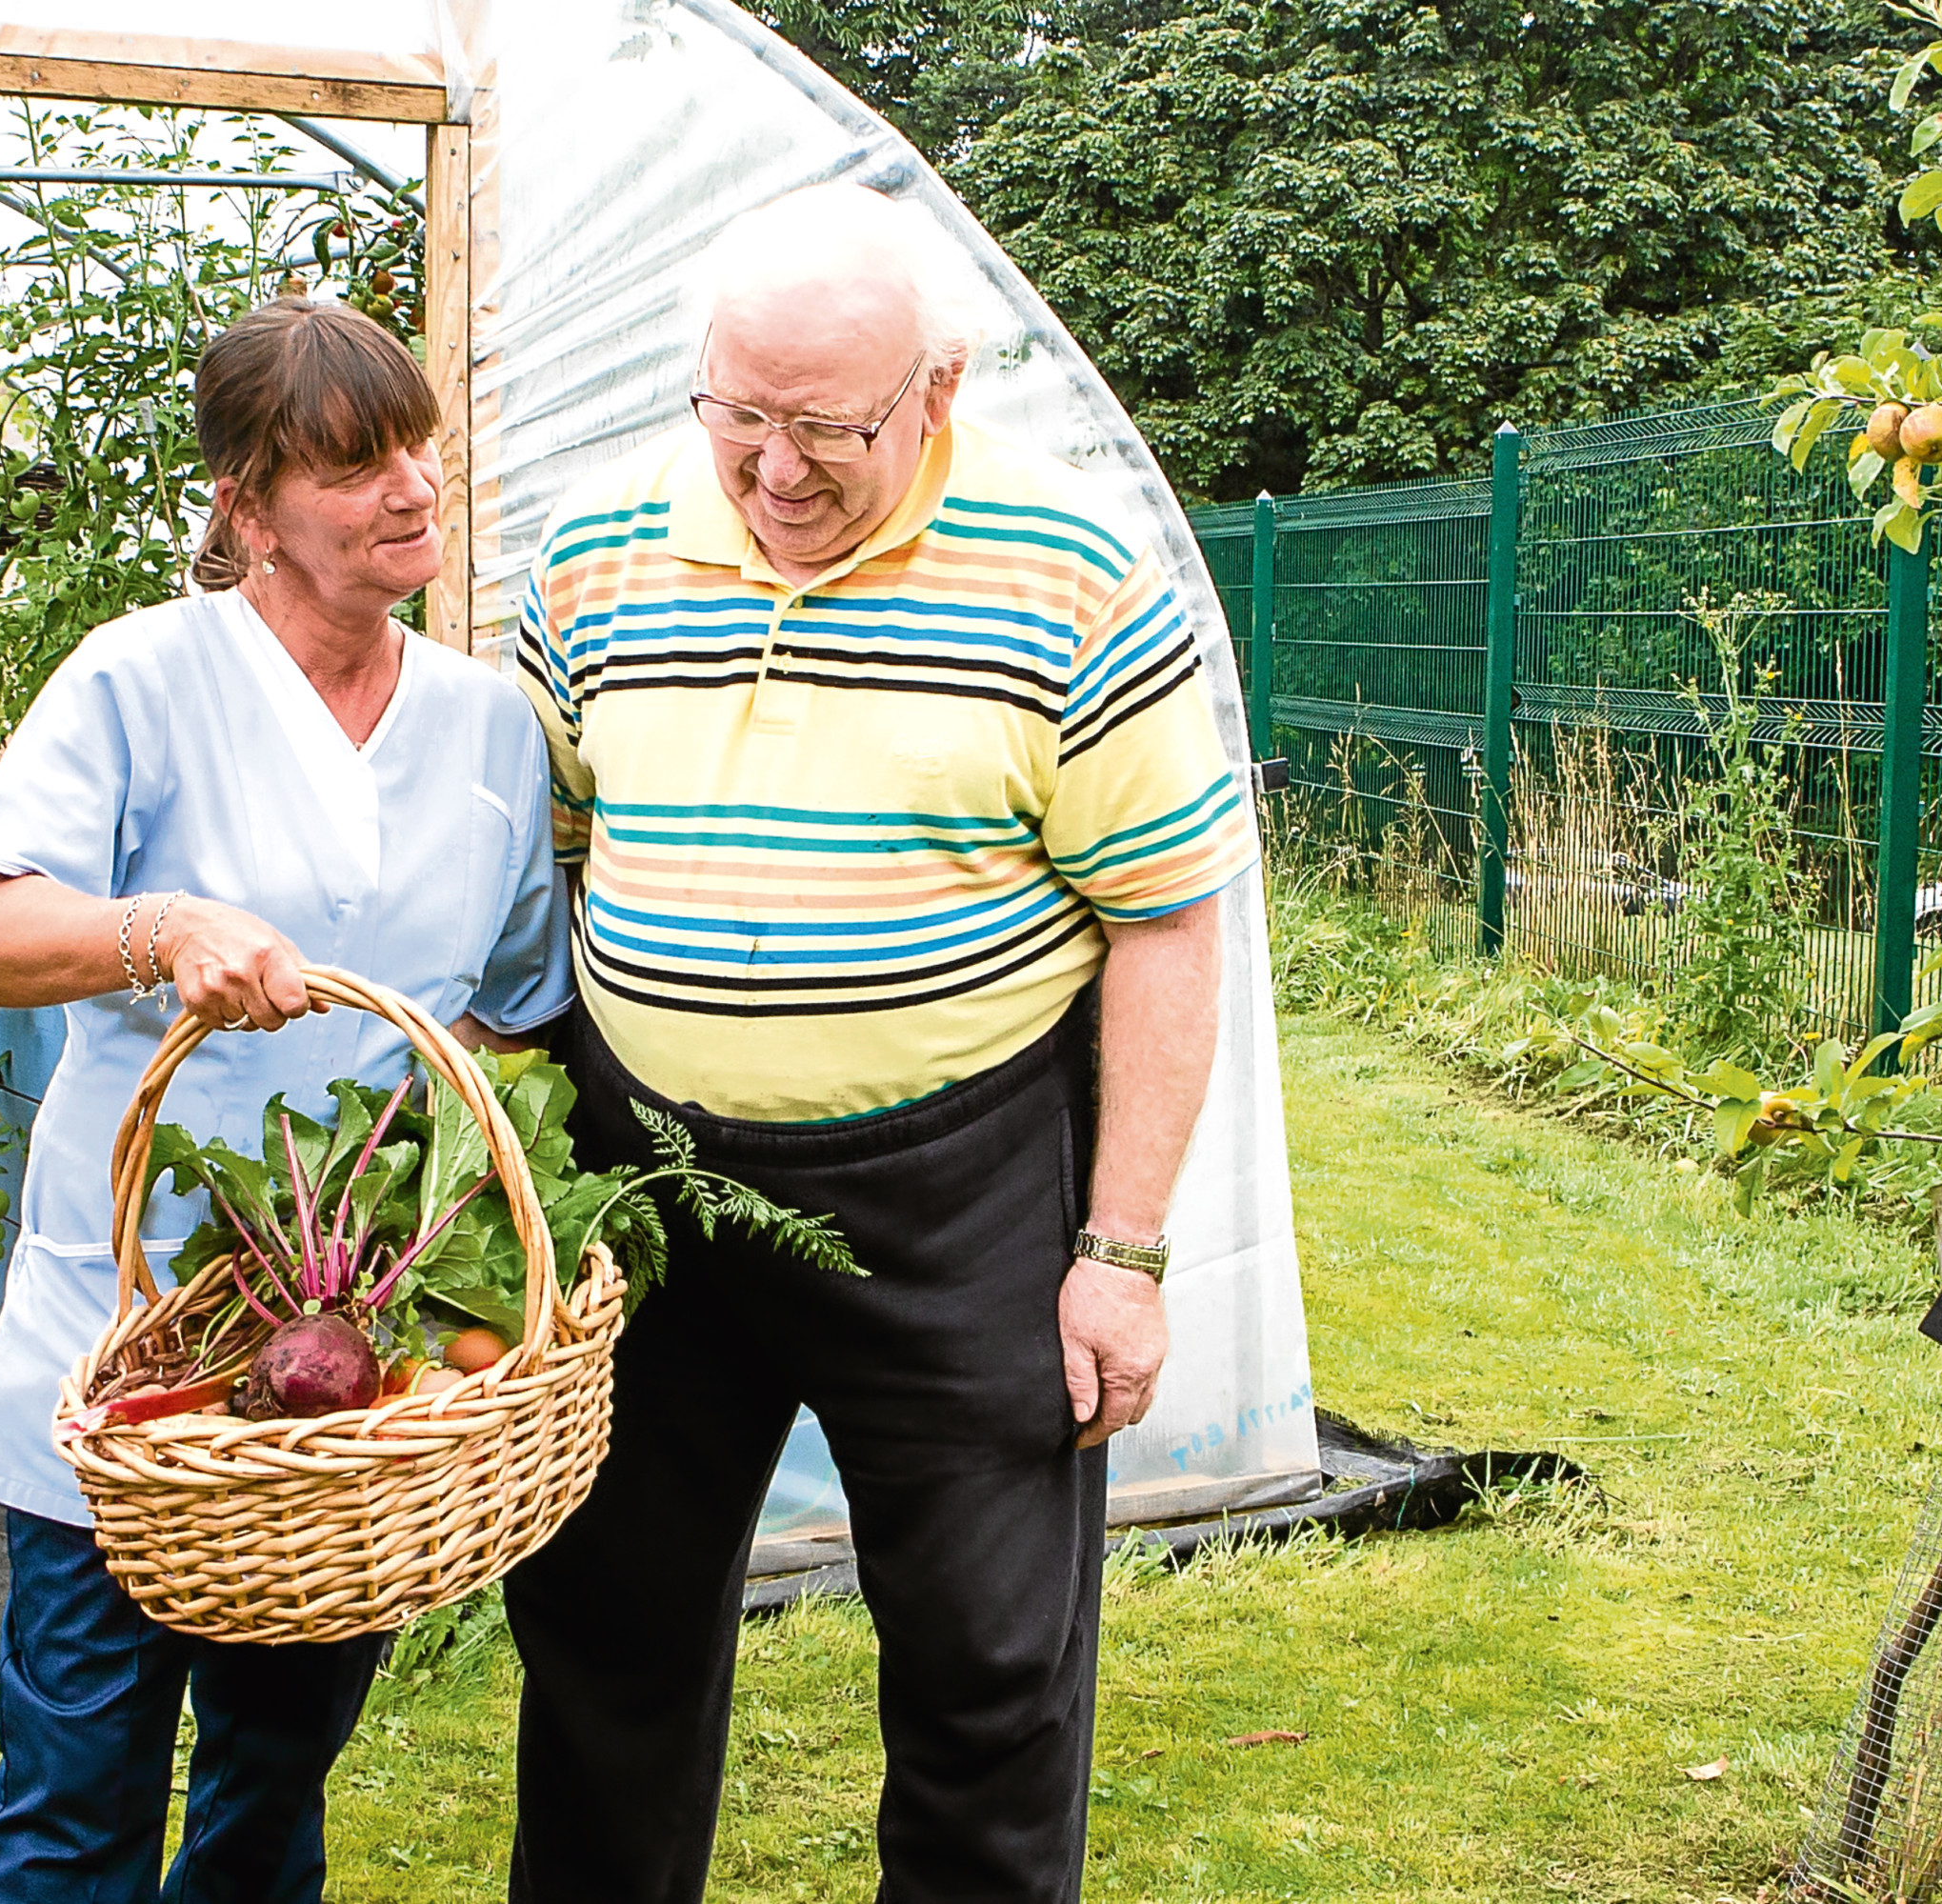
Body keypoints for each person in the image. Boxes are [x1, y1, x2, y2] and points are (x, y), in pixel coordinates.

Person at [501, 184, 1255, 1903]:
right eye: (738, 418)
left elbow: (1167, 920)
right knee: (603, 1618)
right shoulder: (596, 552)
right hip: (653, 1180)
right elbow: (540, 840)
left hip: (961, 1183)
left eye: (825, 428)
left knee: (990, 1659)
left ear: (941, 388)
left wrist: (1121, 1251)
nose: (771, 472)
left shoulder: (1072, 575)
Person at [0, 297, 572, 1904]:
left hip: (337, 1363)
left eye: (417, 446)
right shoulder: (141, 680)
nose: (411, 490)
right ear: (246, 507)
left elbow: (508, 1021)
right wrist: (160, 928)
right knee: (78, 1798)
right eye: (354, 466)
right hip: (129, 1342)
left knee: (273, 1789)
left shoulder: (489, 726)